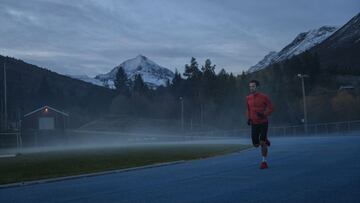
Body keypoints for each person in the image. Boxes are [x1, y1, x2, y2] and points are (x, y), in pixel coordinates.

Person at [246, 80, 274, 169]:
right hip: (254, 123)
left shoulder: (264, 97)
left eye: (253, 86)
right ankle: (265, 139)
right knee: (256, 145)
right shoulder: (248, 98)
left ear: (257, 87)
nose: (251, 88)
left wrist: (264, 114)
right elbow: (248, 109)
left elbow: (271, 108)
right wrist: (248, 118)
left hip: (263, 122)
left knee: (262, 142)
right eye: (250, 86)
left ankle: (264, 162)